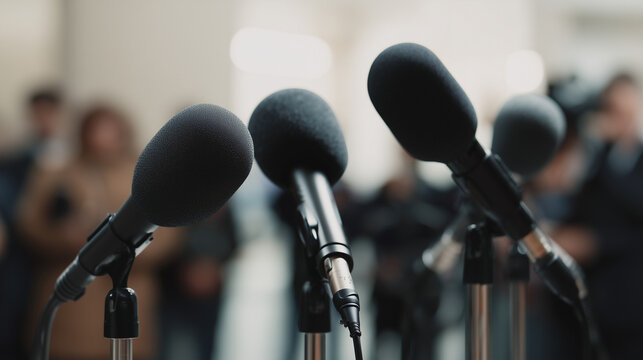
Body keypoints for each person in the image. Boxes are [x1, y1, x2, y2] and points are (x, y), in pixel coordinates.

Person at [17, 105, 182, 360]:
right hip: (70, 304)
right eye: (96, 129)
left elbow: (169, 234)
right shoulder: (55, 171)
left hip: (129, 299)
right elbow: (29, 225)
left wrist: (117, 246)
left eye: (109, 130)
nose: (102, 137)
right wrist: (65, 237)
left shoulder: (145, 173)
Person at [0, 88, 66, 359]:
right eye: (38, 114)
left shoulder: (72, 158)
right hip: (18, 258)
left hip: (57, 259)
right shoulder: (15, 160)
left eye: (49, 113)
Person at [159, 205, 239, 360]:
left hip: (211, 295)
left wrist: (213, 266)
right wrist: (188, 269)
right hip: (177, 294)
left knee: (206, 347)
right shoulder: (171, 199)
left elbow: (233, 240)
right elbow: (164, 244)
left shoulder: (221, 200)